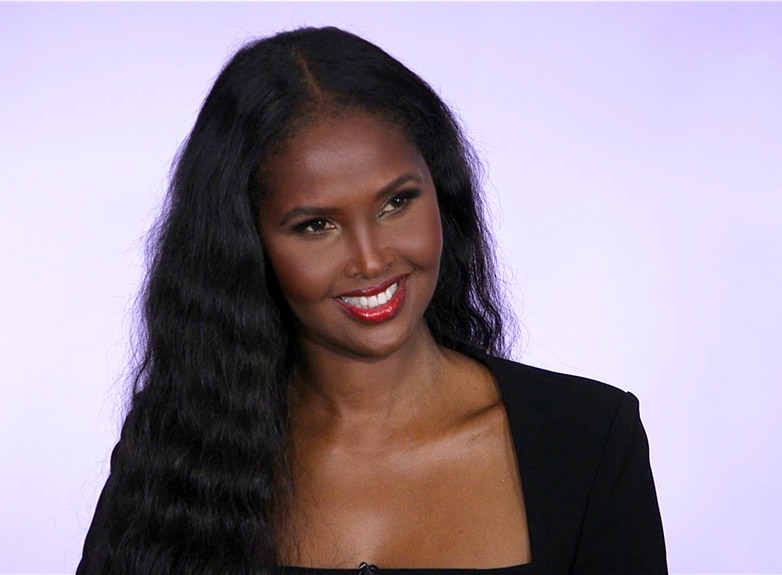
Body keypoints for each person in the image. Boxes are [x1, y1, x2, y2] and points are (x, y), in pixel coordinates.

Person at [77, 26, 667, 575]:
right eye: (315, 226)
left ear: (442, 192)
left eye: (396, 203)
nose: (370, 260)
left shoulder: (588, 440)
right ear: (245, 243)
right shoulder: (180, 451)